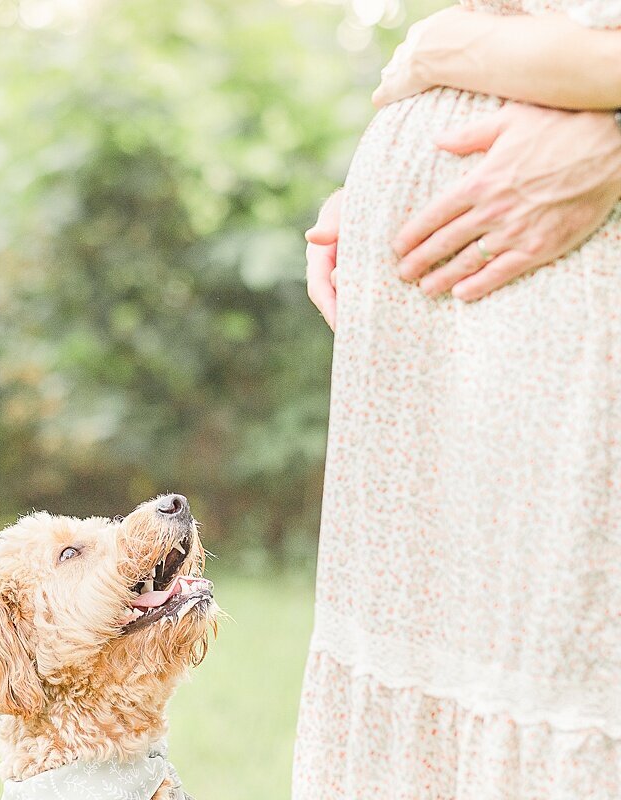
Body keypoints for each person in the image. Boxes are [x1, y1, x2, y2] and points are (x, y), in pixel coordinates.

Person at [296, 2, 621, 797]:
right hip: (436, 301)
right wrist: (384, 187)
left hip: (573, 285)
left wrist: (455, 46)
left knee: (569, 663)